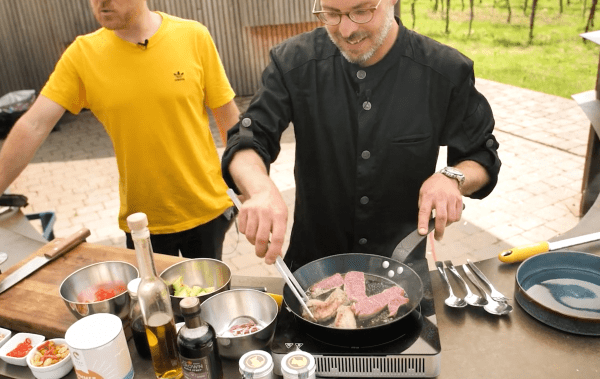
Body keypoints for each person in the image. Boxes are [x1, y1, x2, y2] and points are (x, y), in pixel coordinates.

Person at [221, 0, 501, 270]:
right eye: (332, 13)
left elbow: (480, 154)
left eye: (362, 11)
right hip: (312, 268)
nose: (346, 30)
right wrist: (259, 189)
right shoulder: (293, 61)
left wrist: (452, 178)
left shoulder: (445, 70)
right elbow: (248, 137)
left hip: (400, 271)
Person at [0, 0, 239, 259]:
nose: (101, 2)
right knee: (154, 296)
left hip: (207, 208)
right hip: (143, 221)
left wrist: (250, 187)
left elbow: (227, 116)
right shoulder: (83, 55)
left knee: (206, 296)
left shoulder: (193, 36)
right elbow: (33, 125)